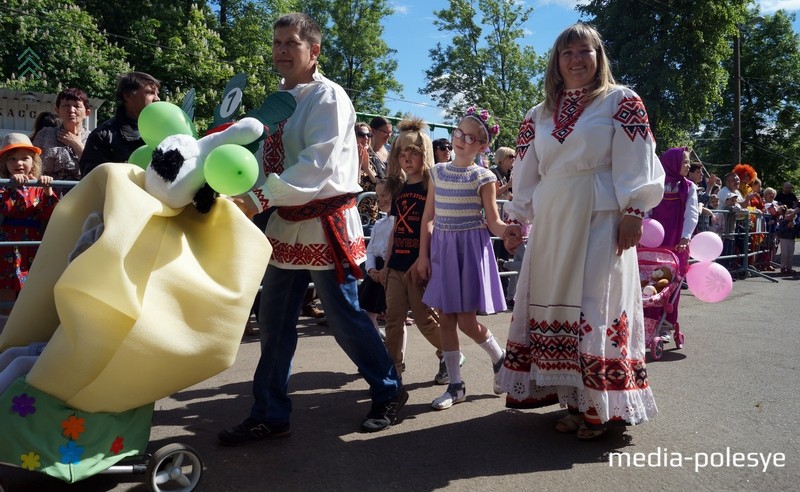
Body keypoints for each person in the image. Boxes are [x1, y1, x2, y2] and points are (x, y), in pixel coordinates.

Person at [218, 13, 406, 444]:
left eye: (291, 43)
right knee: (274, 320)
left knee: (344, 317)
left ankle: (389, 391)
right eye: (277, 43)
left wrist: (258, 198)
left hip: (325, 223)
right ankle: (269, 411)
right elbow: (263, 162)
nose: (281, 50)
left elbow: (317, 165)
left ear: (313, 50)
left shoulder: (329, 97)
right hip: (285, 222)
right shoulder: (276, 102)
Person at [493, 23, 665, 440]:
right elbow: (527, 172)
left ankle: (604, 407)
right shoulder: (538, 113)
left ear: (597, 56)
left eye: (583, 51)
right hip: (553, 221)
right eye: (567, 52)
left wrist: (635, 209)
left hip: (600, 214)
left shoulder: (621, 100)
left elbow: (637, 157)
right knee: (554, 308)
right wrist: (516, 220)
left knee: (595, 308)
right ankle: (575, 402)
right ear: (556, 60)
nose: (575, 59)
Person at [417, 106, 521, 410]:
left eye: (470, 137)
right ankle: (456, 384)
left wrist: (507, 232)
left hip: (469, 250)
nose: (461, 140)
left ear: (481, 145)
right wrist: (423, 255)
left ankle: (499, 358)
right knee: (446, 319)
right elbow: (428, 217)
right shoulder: (436, 172)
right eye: (458, 133)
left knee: (466, 321)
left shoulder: (484, 176)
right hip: (443, 250)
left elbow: (493, 220)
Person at [382, 117, 449, 385]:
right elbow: (395, 228)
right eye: (402, 155)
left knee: (424, 319)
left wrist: (424, 259)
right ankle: (393, 370)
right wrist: (387, 263)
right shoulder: (398, 189)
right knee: (392, 320)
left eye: (414, 154)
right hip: (397, 262)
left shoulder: (430, 186)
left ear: (424, 155)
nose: (407, 159)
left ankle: (448, 354)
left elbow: (433, 224)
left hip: (419, 263)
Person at [0, 134, 58, 313]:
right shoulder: (2, 186)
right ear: (4, 164)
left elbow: (52, 214)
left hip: (32, 246)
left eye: (25, 158)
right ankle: (5, 333)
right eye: (12, 159)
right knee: (7, 289)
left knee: (30, 290)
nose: (19, 163)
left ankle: (26, 330)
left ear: (33, 162)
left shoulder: (38, 187)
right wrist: (11, 188)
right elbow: (4, 209)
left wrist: (47, 189)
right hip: (8, 245)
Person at [645, 147, 697, 334]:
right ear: (672, 163)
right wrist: (644, 232)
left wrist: (685, 237)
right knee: (651, 282)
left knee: (672, 284)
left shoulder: (689, 187)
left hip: (676, 241)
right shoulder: (656, 184)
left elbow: (691, 214)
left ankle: (666, 325)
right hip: (654, 241)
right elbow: (647, 211)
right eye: (684, 161)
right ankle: (649, 323)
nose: (688, 165)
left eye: (687, 161)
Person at [79, 72, 160, 176]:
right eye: (150, 92)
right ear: (127, 95)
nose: (157, 98)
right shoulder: (102, 135)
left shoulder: (165, 131)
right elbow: (92, 177)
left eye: (157, 93)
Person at [32, 88, 92, 182]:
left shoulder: (93, 138)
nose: (71, 110)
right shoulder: (44, 135)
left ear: (87, 113)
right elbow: (32, 166)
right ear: (57, 110)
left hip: (82, 193)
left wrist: (77, 146)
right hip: (48, 193)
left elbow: (96, 171)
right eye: (66, 105)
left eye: (77, 106)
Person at [359, 179, 393, 340]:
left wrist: (383, 271)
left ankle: (397, 358)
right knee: (367, 312)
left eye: (384, 195)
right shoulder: (379, 223)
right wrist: (371, 269)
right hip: (376, 271)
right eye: (378, 196)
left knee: (393, 318)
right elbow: (371, 249)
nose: (379, 199)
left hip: (391, 271)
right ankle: (377, 346)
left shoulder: (399, 223)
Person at [355, 122, 380, 229]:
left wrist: (367, 168)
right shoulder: (346, 160)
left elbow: (381, 185)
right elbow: (353, 187)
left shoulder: (373, 159)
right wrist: (359, 164)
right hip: (355, 219)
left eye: (369, 135)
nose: (366, 138)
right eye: (361, 134)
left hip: (372, 219)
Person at [776, 207, 797, 274]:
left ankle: (789, 267)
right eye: (789, 214)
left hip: (791, 239)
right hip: (784, 239)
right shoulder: (783, 222)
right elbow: (780, 231)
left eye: (792, 215)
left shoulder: (794, 223)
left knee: (790, 254)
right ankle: (783, 267)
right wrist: (787, 227)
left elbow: (796, 233)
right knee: (785, 254)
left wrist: (793, 228)